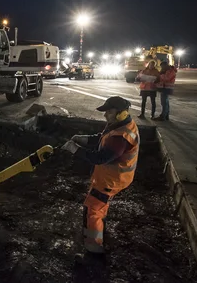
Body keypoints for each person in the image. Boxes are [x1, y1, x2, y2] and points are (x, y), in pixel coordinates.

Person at [60, 96, 139, 266]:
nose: (105, 116)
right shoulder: (119, 125)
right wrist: (85, 138)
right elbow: (102, 138)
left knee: (93, 210)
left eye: (109, 112)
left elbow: (101, 157)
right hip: (111, 177)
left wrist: (76, 150)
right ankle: (100, 235)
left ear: (121, 113)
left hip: (111, 180)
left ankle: (93, 252)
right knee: (98, 208)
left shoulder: (122, 136)